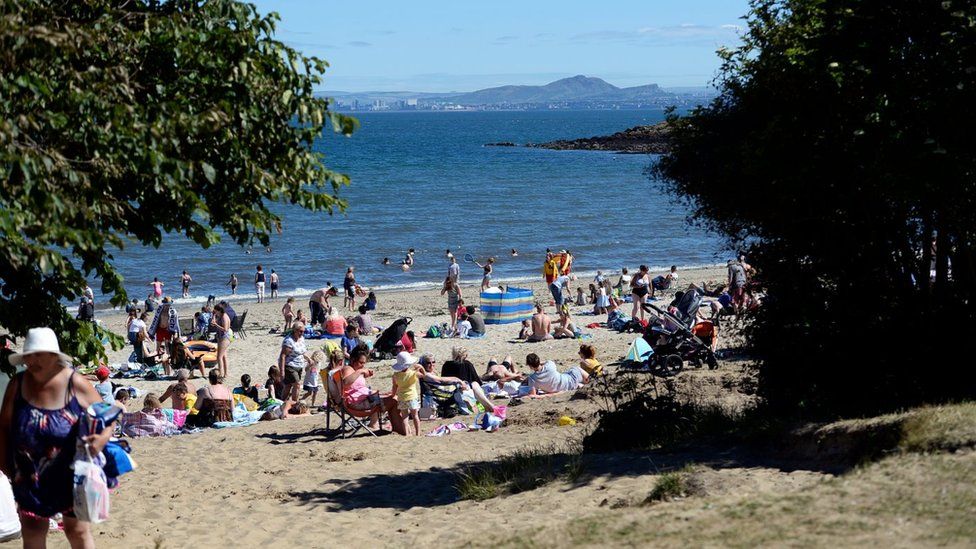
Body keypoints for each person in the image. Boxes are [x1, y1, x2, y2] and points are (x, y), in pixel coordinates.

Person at [0, 327, 114, 548]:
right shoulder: (18, 384)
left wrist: (100, 440)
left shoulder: (76, 383)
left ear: (53, 357)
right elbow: (3, 426)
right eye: (28, 356)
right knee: (32, 531)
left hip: (70, 471)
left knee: (77, 531)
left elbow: (108, 416)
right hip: (28, 472)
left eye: (37, 355)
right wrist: (4, 463)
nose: (31, 361)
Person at [340, 345, 407, 435]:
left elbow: (356, 386)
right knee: (394, 401)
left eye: (364, 363)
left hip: (364, 400)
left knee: (392, 396)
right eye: (361, 363)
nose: (363, 366)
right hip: (357, 404)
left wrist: (363, 373)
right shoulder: (348, 369)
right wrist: (360, 371)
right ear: (353, 360)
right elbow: (346, 382)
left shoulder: (354, 370)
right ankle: (399, 430)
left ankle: (396, 429)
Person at [440, 346, 496, 412]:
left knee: (474, 385)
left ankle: (490, 406)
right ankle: (491, 406)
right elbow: (476, 379)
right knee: (475, 384)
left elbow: (443, 380)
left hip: (451, 391)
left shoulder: (446, 364)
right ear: (465, 355)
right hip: (464, 390)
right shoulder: (467, 364)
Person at [524, 353, 588, 398]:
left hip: (565, 387)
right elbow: (546, 361)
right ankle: (591, 381)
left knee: (571, 373)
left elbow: (533, 394)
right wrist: (539, 363)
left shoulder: (532, 379)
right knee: (576, 369)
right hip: (570, 380)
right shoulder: (549, 365)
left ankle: (583, 383)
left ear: (530, 366)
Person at [391, 352, 423, 436]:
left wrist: (393, 394)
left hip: (402, 397)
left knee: (405, 417)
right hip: (412, 397)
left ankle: (407, 434)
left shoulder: (395, 375)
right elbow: (424, 375)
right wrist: (421, 368)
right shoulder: (413, 373)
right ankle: (418, 433)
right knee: (415, 415)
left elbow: (394, 387)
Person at [279, 322, 310, 401]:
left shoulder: (302, 339)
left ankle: (282, 402)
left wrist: (308, 359)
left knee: (288, 385)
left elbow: (302, 352)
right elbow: (283, 356)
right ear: (295, 330)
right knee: (297, 385)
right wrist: (282, 372)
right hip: (290, 365)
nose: (302, 333)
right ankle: (295, 404)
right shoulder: (289, 341)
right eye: (300, 331)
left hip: (299, 365)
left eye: (303, 331)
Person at [210, 303, 231, 379]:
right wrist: (214, 316)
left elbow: (225, 329)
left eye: (215, 311)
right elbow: (213, 323)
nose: (214, 312)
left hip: (225, 337)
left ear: (219, 310)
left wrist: (216, 324)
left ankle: (220, 374)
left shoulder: (224, 317)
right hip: (221, 337)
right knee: (224, 356)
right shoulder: (220, 315)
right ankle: (225, 374)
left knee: (219, 357)